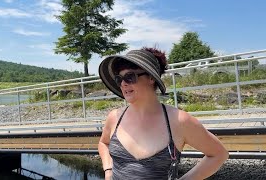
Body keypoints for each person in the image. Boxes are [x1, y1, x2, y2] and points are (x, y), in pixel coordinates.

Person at [98, 47, 229, 180]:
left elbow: (219, 154)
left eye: (130, 77)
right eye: (119, 79)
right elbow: (104, 143)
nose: (123, 84)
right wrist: (108, 170)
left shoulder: (178, 120)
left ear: (151, 78)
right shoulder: (114, 117)